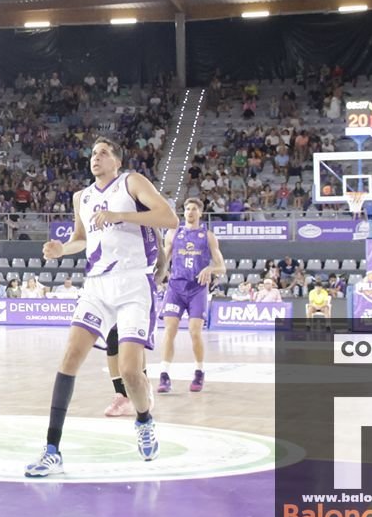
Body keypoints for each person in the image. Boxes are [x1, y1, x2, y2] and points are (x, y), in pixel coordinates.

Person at [25, 137, 177, 477]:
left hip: (134, 284)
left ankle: (144, 419)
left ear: (117, 161)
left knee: (130, 372)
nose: (96, 157)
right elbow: (81, 238)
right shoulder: (82, 197)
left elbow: (170, 219)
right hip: (96, 286)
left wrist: (119, 215)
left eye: (104, 153)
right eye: (93, 153)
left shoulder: (132, 182)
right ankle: (51, 450)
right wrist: (61, 250)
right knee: (69, 358)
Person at [156, 198, 224, 394]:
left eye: (194, 209)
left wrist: (210, 269)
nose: (190, 212)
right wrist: (156, 277)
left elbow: (222, 267)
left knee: (195, 332)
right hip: (176, 287)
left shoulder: (208, 236)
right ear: (184, 212)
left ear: (200, 213)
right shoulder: (173, 233)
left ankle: (199, 372)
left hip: (197, 289)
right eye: (187, 209)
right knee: (170, 329)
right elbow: (164, 261)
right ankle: (164, 375)